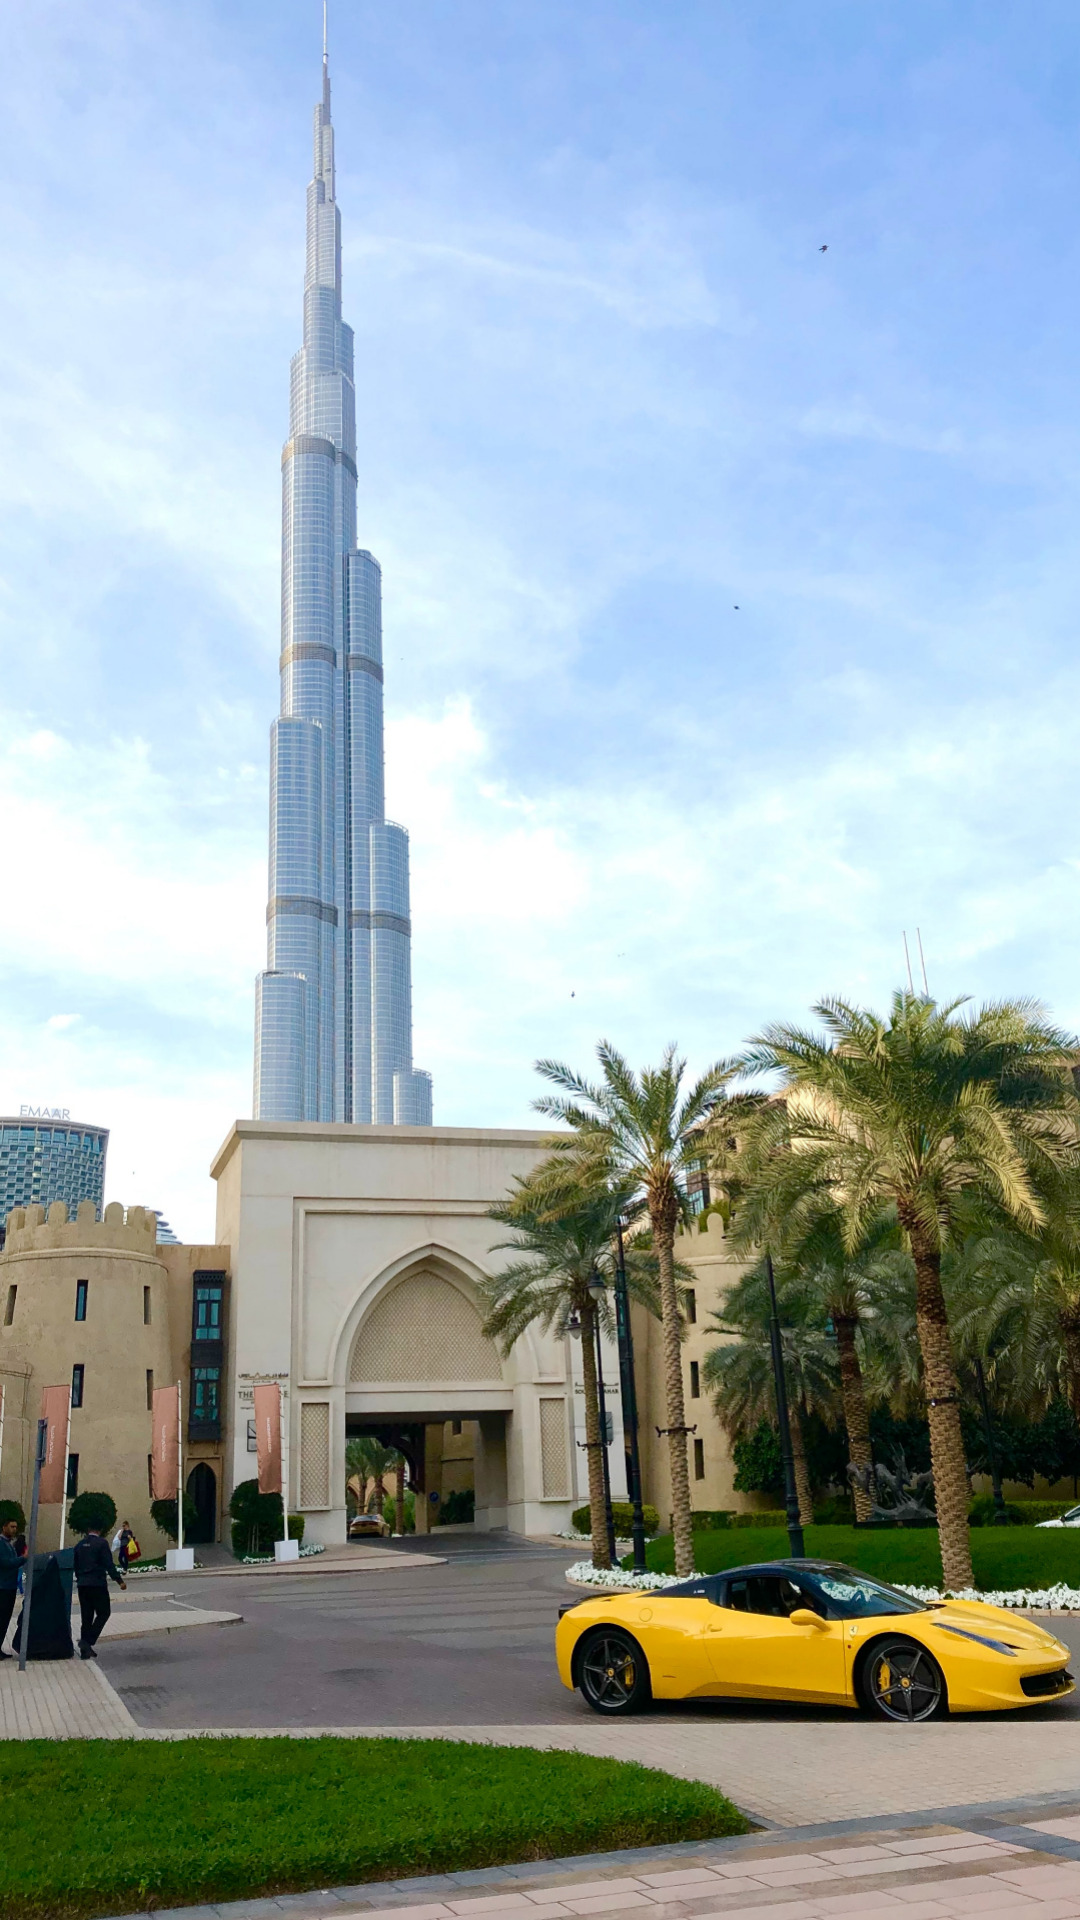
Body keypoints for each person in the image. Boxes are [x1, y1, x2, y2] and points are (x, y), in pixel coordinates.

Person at [72, 1524, 125, 1659]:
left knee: (86, 1617)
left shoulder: (79, 1545)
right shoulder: (101, 1543)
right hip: (97, 1584)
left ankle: (85, 1651)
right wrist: (119, 1580)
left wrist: (80, 1578)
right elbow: (108, 1563)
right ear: (99, 1530)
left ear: (87, 1530)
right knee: (104, 1612)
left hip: (83, 1585)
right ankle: (87, 1641)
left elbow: (75, 1564)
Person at [0, 1519, 22, 1659]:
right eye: (12, 1526)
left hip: (10, 1586)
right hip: (3, 1587)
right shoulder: (2, 1544)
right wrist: (23, 1559)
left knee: (5, 1619)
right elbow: (5, 1563)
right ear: (4, 1527)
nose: (14, 1529)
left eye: (16, 1527)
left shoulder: (9, 1545)